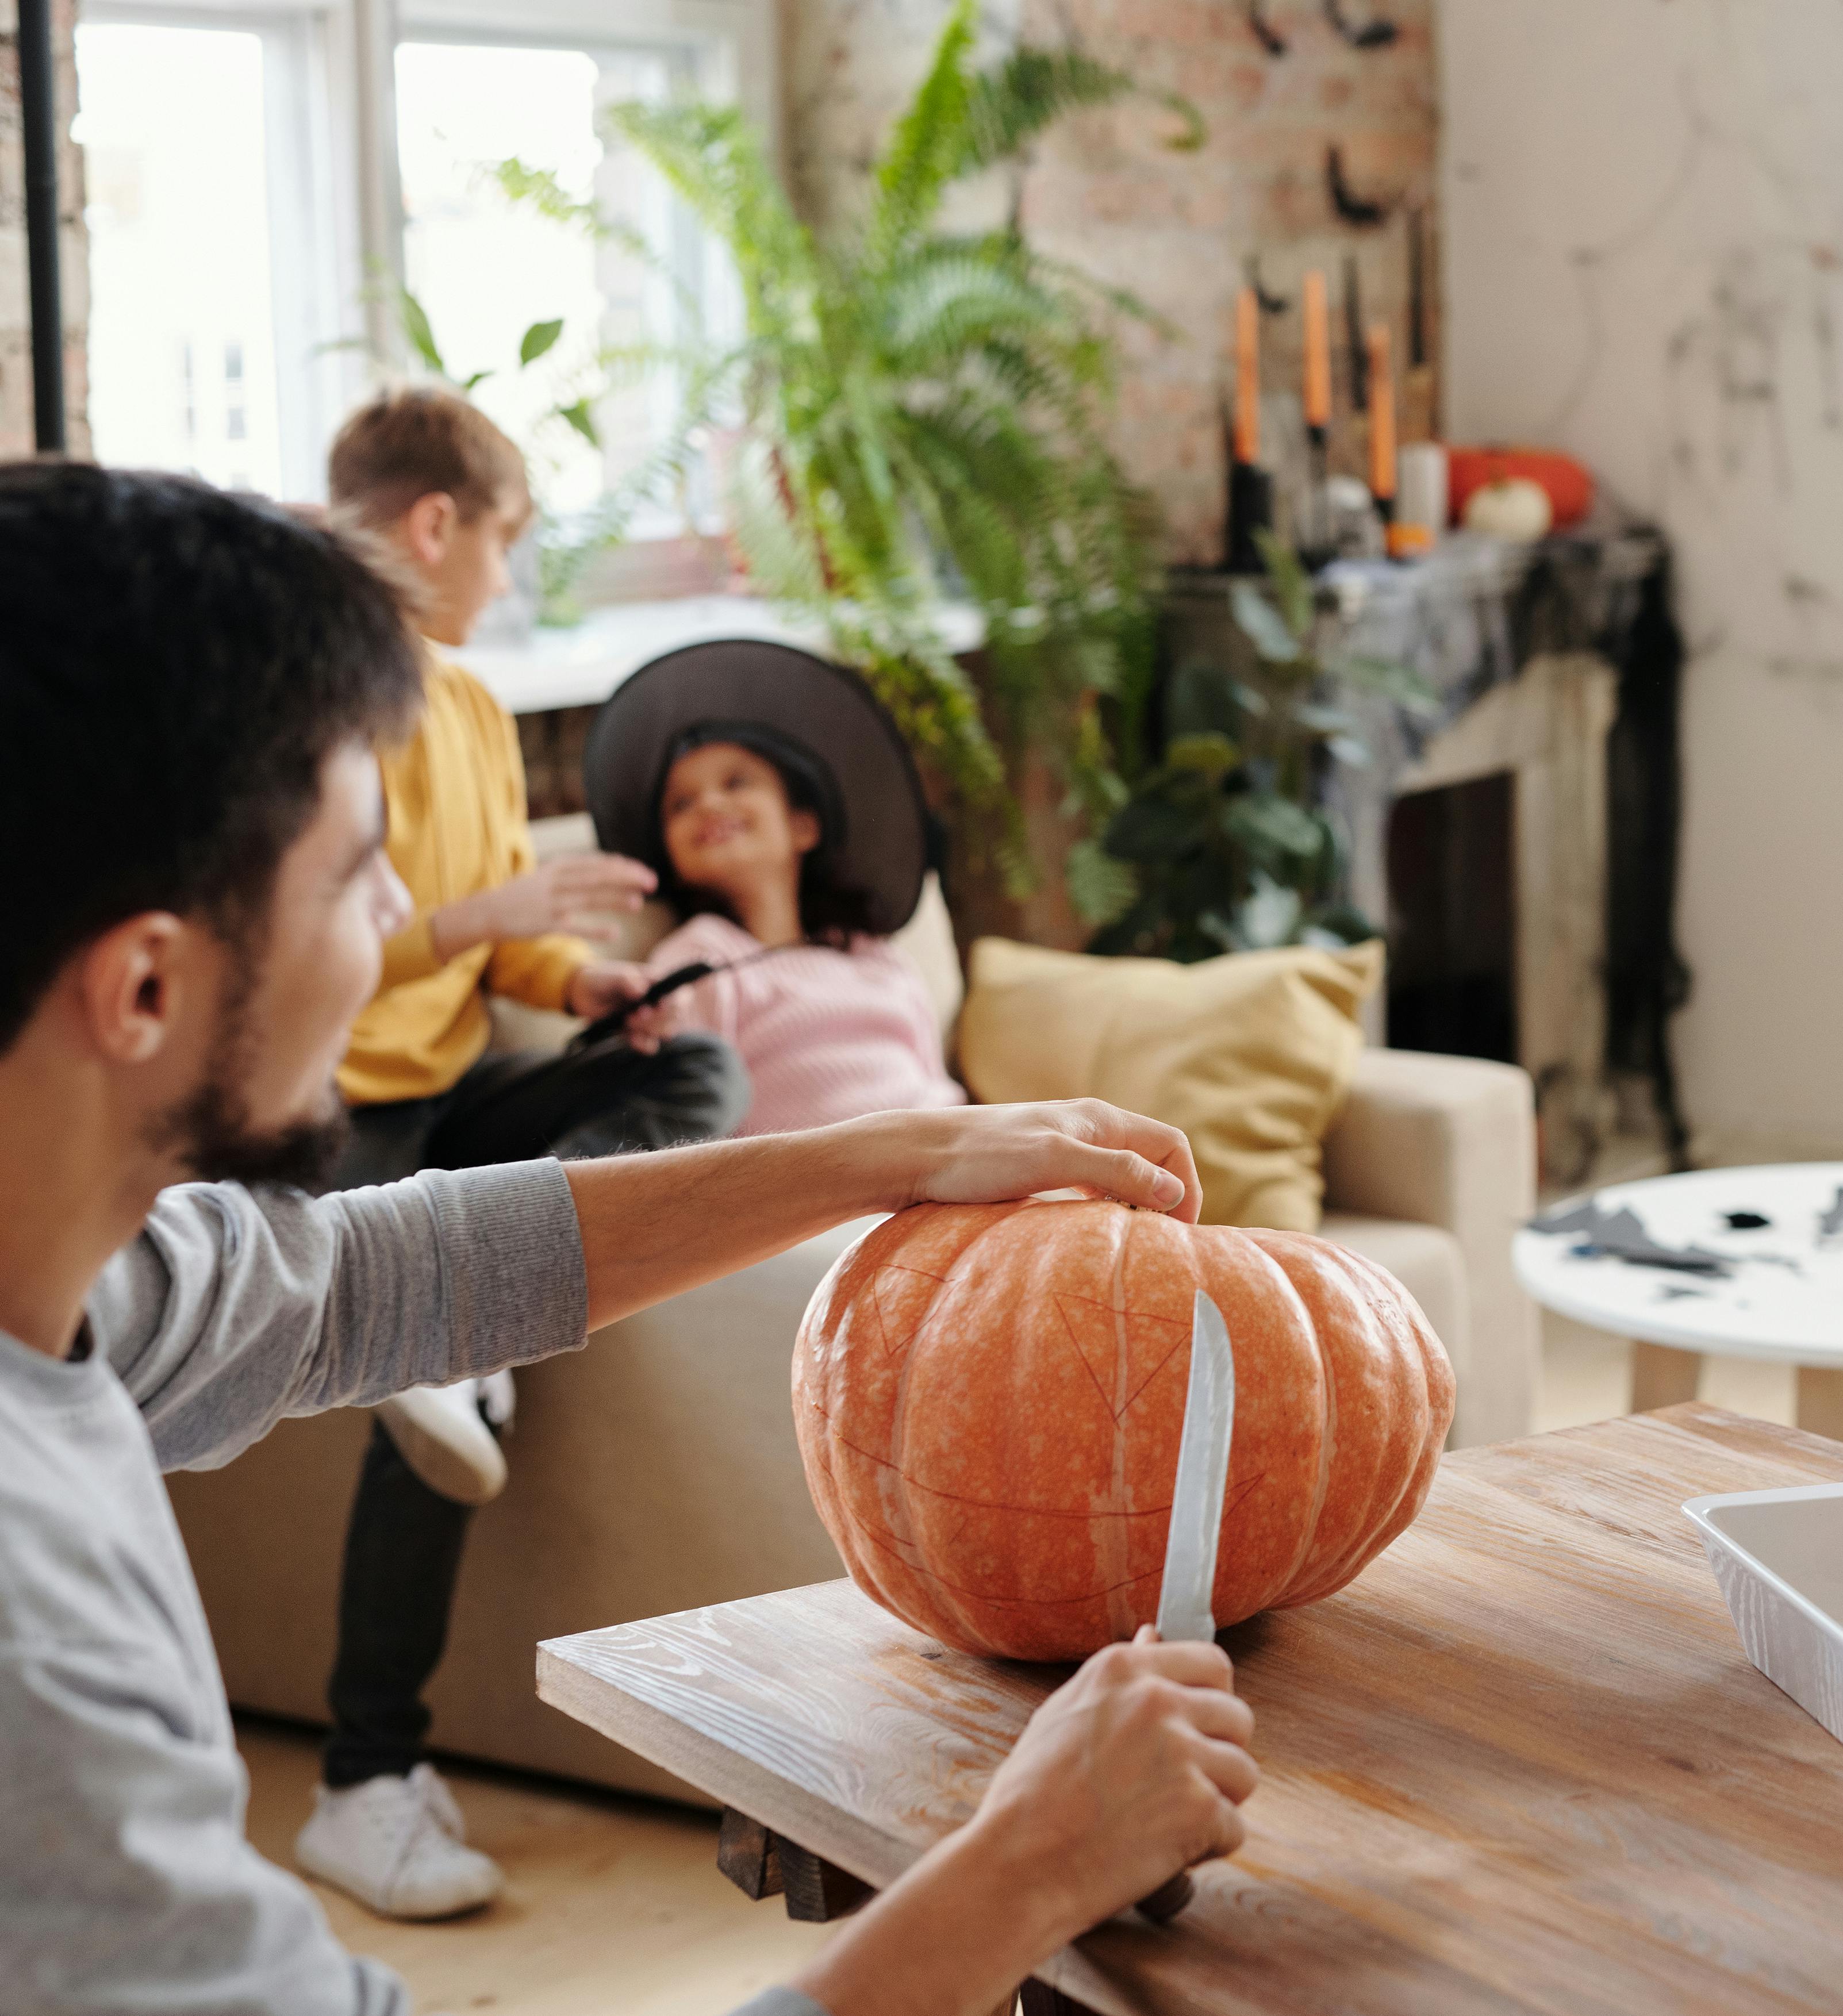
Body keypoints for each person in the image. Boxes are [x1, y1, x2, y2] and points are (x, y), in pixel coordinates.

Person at [0, 463, 1254, 2016]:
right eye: (353, 875)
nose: (401, 915)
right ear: (140, 992)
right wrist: (1029, 1865)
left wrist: (898, 1150)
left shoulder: (76, 1292)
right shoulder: (29, 1638)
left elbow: (372, 1278)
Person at [297, 387, 754, 1918]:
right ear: (438, 524)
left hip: (444, 1098)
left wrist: (582, 981)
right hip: (321, 1107)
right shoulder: (304, 689)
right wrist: (474, 924)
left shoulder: (477, 710)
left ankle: (481, 1313)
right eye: (505, 545)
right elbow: (277, 963)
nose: (504, 582)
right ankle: (363, 1782)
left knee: (694, 1062)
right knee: (422, 1376)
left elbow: (504, 957)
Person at [581, 639, 969, 1136]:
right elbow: (678, 1129)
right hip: (836, 1201)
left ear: (804, 827)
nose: (708, 805)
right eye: (680, 804)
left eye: (736, 782)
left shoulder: (876, 957)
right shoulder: (699, 963)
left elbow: (939, 1086)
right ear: (673, 860)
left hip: (956, 1160)